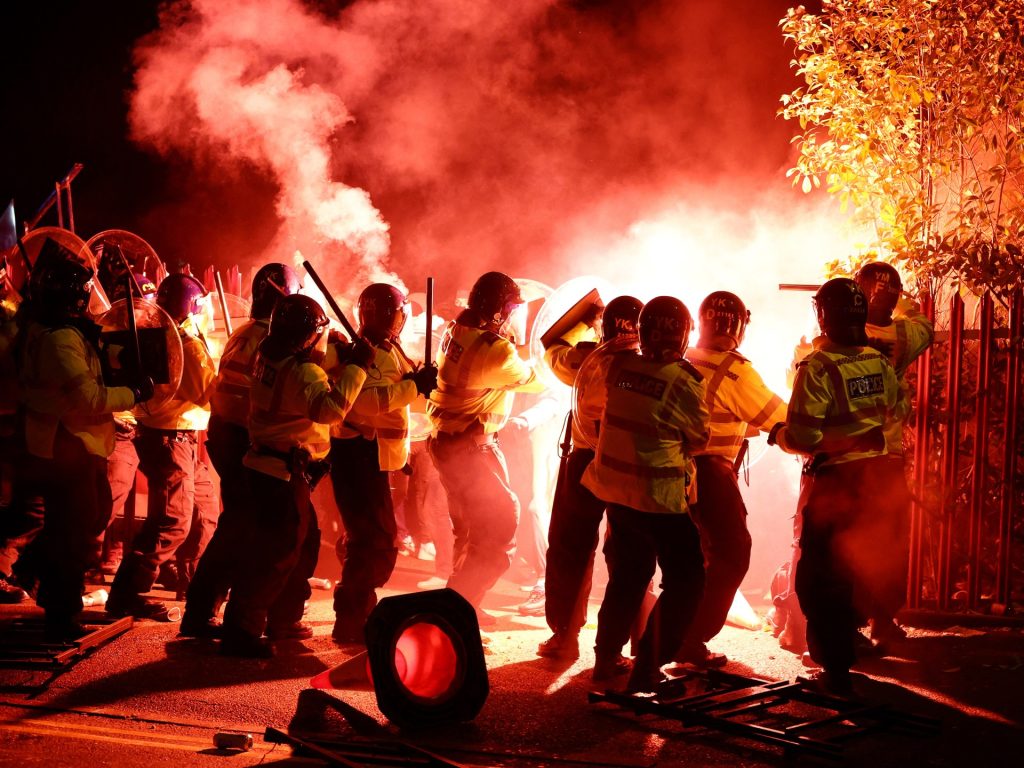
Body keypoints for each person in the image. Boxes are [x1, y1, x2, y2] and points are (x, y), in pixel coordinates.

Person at [768, 277, 907, 694]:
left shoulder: (818, 367)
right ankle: (854, 641)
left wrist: (778, 435)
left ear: (822, 316)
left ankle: (836, 670)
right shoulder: (878, 361)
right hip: (878, 478)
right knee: (857, 564)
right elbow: (897, 408)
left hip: (837, 481)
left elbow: (805, 438)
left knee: (819, 577)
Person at [219, 294, 372, 657]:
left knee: (302, 547)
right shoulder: (303, 371)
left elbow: (306, 370)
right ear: (305, 336)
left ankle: (283, 618)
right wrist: (357, 368)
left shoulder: (269, 355)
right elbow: (329, 409)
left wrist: (337, 354)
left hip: (273, 469)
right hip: (282, 474)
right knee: (275, 554)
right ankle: (241, 631)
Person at [18, 251, 153, 638]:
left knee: (88, 522)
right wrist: (134, 393)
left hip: (76, 445)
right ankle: (61, 614)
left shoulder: (56, 332)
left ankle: (34, 573)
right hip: (67, 446)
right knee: (72, 537)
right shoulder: (59, 341)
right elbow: (89, 398)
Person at [583, 296, 710, 693]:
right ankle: (648, 669)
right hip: (659, 499)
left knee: (628, 576)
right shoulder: (683, 381)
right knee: (686, 581)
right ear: (685, 334)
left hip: (617, 494)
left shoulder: (620, 368)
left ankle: (606, 658)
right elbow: (700, 439)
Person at [180, 263, 301, 638]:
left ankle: (203, 610)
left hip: (226, 434)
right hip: (244, 440)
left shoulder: (244, 334)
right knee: (242, 528)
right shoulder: (270, 342)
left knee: (238, 525)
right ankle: (209, 613)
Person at [426, 271, 546, 625]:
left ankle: (463, 603)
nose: (513, 317)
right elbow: (534, 379)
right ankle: (455, 609)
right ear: (498, 312)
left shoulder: (457, 331)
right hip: (471, 450)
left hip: (452, 445)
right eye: (510, 309)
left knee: (469, 531)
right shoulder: (495, 351)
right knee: (499, 527)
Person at [676, 291, 788, 667]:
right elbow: (779, 417)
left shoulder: (681, 357)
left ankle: (668, 634)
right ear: (740, 327)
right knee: (731, 554)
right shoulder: (735, 371)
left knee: (689, 558)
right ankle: (689, 637)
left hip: (669, 470)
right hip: (709, 474)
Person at [328, 283, 437, 644]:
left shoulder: (382, 348)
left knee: (371, 538)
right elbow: (364, 405)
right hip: (359, 455)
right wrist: (414, 387)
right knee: (376, 542)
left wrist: (400, 455)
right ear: (395, 315)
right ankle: (351, 617)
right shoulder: (371, 351)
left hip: (371, 455)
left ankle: (357, 609)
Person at [537, 294, 643, 659]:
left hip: (583, 461)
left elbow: (551, 344)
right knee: (628, 551)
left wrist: (587, 315)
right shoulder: (646, 369)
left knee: (570, 547)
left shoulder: (583, 360)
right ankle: (626, 639)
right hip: (626, 465)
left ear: (605, 326)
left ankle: (564, 635)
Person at [107, 273, 217, 619]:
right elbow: (205, 391)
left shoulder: (153, 333)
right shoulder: (184, 341)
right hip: (172, 438)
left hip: (169, 434)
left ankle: (195, 584)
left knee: (205, 509)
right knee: (172, 520)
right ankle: (128, 592)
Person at [854, 261, 933, 647]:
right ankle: (883, 621)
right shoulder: (905, 334)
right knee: (887, 542)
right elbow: (923, 322)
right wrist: (903, 303)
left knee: (843, 541)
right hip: (887, 455)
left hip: (846, 458)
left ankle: (841, 627)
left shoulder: (837, 334)